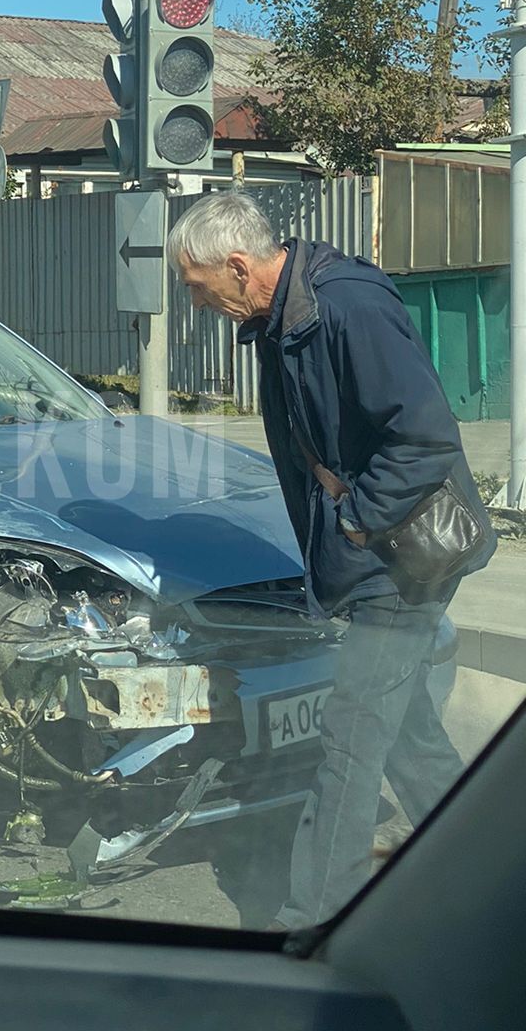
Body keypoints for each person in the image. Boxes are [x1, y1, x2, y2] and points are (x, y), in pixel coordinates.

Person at [166, 191, 495, 929]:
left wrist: (353, 523)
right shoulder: (283, 320)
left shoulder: (345, 307)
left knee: (350, 740)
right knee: (405, 735)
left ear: (239, 266)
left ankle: (310, 920)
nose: (195, 302)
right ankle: (491, 862)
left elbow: (425, 436)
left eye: (196, 284)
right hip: (376, 555)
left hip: (402, 559)